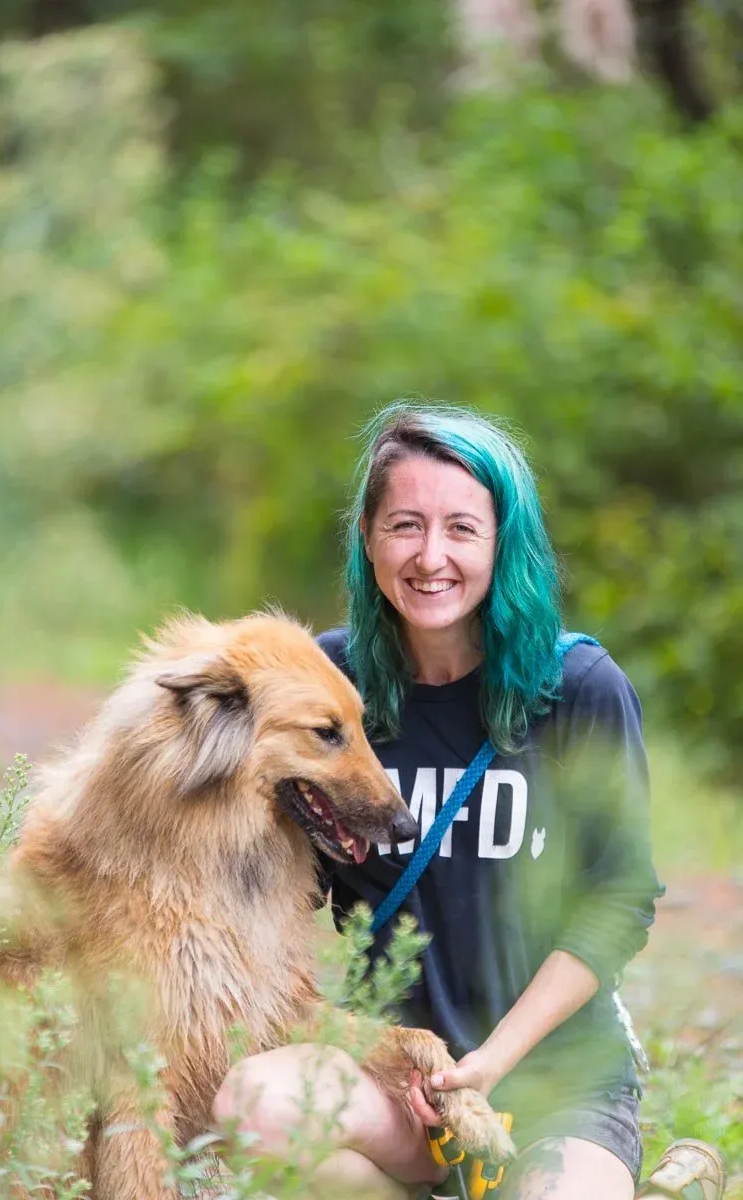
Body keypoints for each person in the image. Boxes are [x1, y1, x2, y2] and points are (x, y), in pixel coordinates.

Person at [212, 402, 725, 1200]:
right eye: (404, 525)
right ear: (367, 539)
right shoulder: (329, 691)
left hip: (556, 1083)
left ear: (500, 542)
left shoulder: (577, 691)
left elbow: (618, 902)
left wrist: (492, 1062)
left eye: (460, 528)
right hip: (397, 1076)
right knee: (255, 1107)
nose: (429, 556)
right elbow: (274, 878)